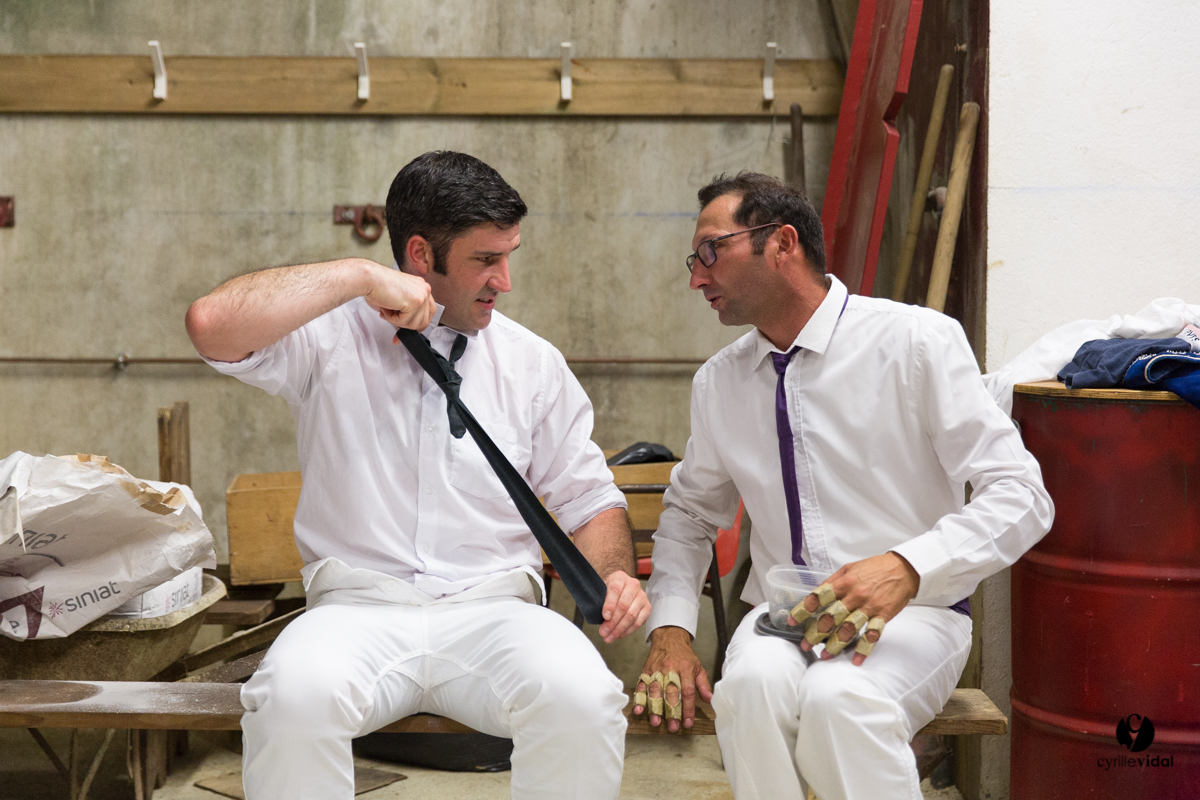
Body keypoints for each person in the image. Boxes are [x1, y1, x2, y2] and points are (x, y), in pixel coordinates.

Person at [186, 151, 650, 800]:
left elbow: (589, 497)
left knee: (585, 696)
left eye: (509, 255)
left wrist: (615, 575)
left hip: (497, 612)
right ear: (421, 256)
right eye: (486, 261)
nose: (505, 280)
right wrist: (355, 274)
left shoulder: (532, 364)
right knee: (288, 698)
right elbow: (211, 325)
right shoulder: (329, 338)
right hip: (356, 610)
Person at [632, 172, 1053, 799]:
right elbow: (691, 513)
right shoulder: (720, 382)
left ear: (782, 244)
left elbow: (1022, 495)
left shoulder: (914, 342)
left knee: (841, 699)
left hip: (916, 616)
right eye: (695, 258)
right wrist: (670, 630)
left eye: (712, 251)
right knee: (746, 690)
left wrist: (908, 565)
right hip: (782, 619)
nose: (697, 276)